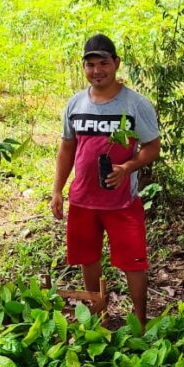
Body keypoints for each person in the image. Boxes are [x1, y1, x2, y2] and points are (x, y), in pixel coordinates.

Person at [51, 34, 160, 327]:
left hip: (122, 202)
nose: (97, 70)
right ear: (83, 67)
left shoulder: (136, 104)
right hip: (83, 200)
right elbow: (67, 148)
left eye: (103, 63)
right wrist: (57, 191)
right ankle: (98, 318)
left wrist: (127, 167)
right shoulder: (75, 104)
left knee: (133, 261)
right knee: (88, 259)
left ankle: (140, 320)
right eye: (90, 65)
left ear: (116, 63)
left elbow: (152, 147)